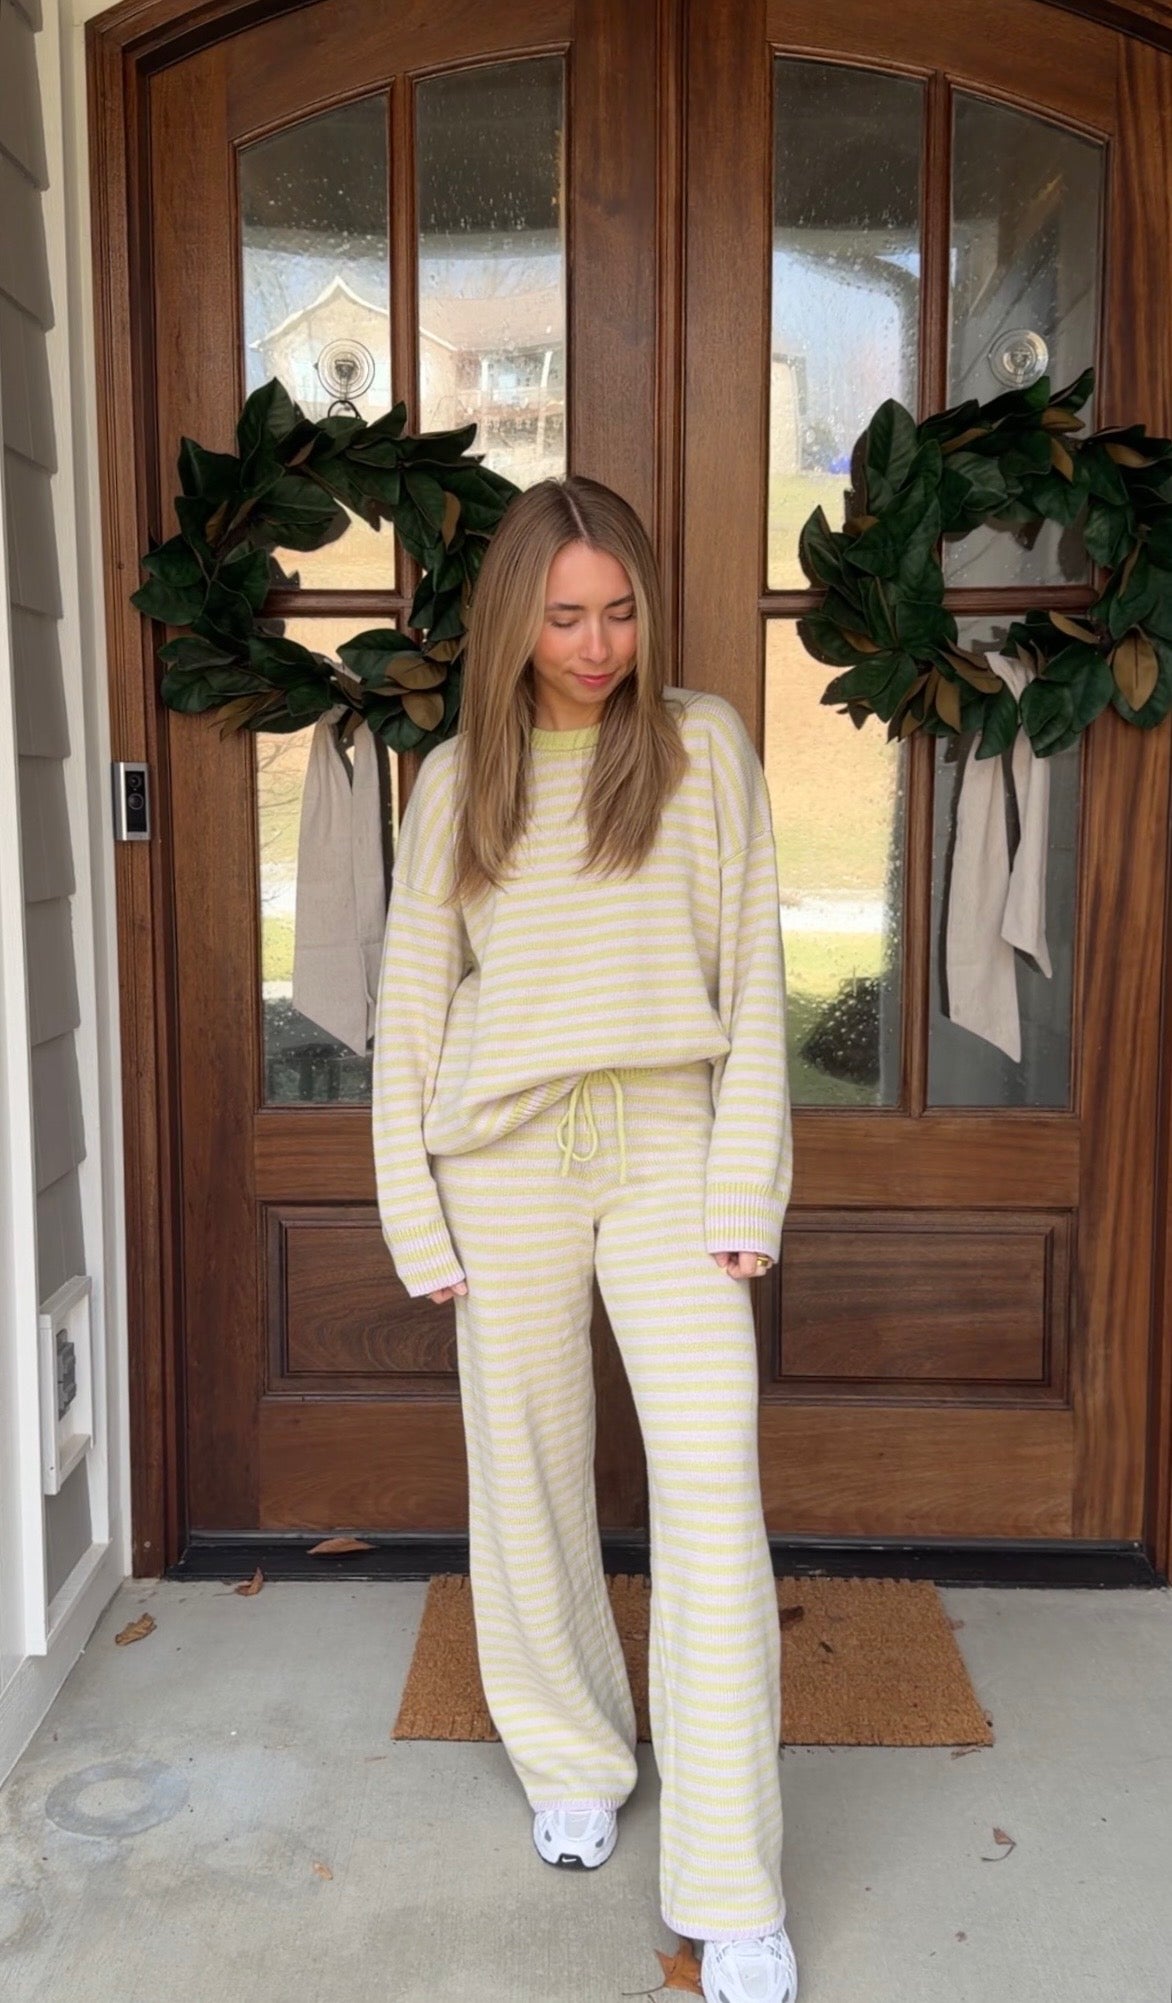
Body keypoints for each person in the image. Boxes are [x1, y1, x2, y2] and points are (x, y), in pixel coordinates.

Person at [372, 474, 798, 2003]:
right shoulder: (456, 780)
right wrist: (409, 1207)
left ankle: (732, 1880)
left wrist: (748, 1186)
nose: (598, 641)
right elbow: (411, 1008)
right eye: (564, 615)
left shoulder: (702, 748)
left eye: (619, 610)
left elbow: (755, 980)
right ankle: (569, 1754)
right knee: (530, 1466)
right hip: (506, 1163)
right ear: (512, 619)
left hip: (672, 1147)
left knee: (707, 1488)